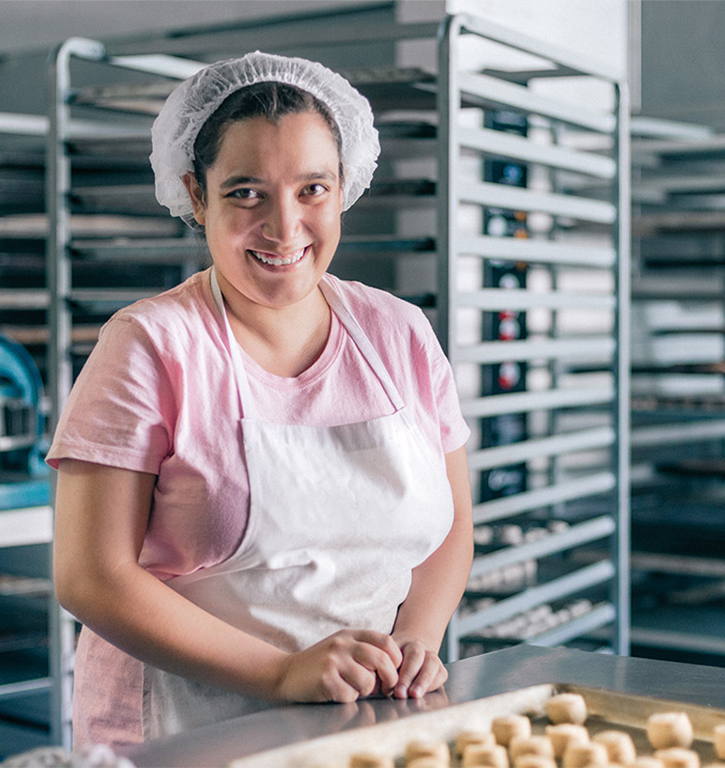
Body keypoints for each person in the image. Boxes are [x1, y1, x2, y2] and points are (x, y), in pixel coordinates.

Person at [48, 50, 474, 748]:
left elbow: (453, 526)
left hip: (360, 722)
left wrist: (417, 639)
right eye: (247, 192)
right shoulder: (151, 345)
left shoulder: (398, 333)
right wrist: (282, 674)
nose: (284, 227)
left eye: (312, 189)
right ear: (196, 195)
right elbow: (91, 577)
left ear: (344, 190)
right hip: (184, 730)